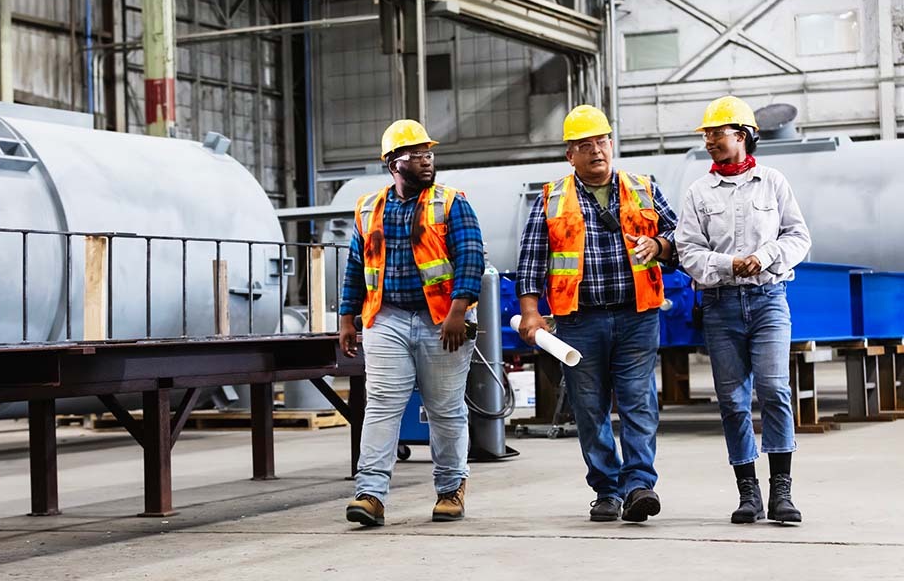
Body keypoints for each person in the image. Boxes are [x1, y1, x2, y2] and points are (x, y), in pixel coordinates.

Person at [517, 105, 677, 522]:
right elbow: (532, 261)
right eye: (584, 145)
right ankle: (607, 489)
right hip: (579, 320)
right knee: (589, 408)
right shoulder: (551, 199)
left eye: (602, 141)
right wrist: (531, 314)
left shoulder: (644, 188)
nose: (596, 151)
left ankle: (639, 485)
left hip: (636, 314)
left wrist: (659, 246)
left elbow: (680, 236)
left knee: (639, 402)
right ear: (570, 155)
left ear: (612, 143)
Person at [338, 119, 485, 527]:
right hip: (386, 318)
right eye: (416, 155)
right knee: (382, 405)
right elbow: (355, 267)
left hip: (442, 322)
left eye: (429, 154)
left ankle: (450, 489)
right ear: (391, 163)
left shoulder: (452, 202)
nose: (426, 161)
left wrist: (458, 312)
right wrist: (346, 318)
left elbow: (470, 258)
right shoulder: (369, 208)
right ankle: (370, 494)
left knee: (444, 408)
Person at [675, 95, 811, 524]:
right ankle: (748, 493)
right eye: (708, 134)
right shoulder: (698, 191)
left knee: (774, 390)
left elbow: (799, 237)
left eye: (718, 133)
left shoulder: (773, 182)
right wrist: (727, 264)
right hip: (720, 305)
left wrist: (767, 255)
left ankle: (781, 494)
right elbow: (687, 251)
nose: (711, 140)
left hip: (769, 299)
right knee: (733, 402)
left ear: (743, 135)